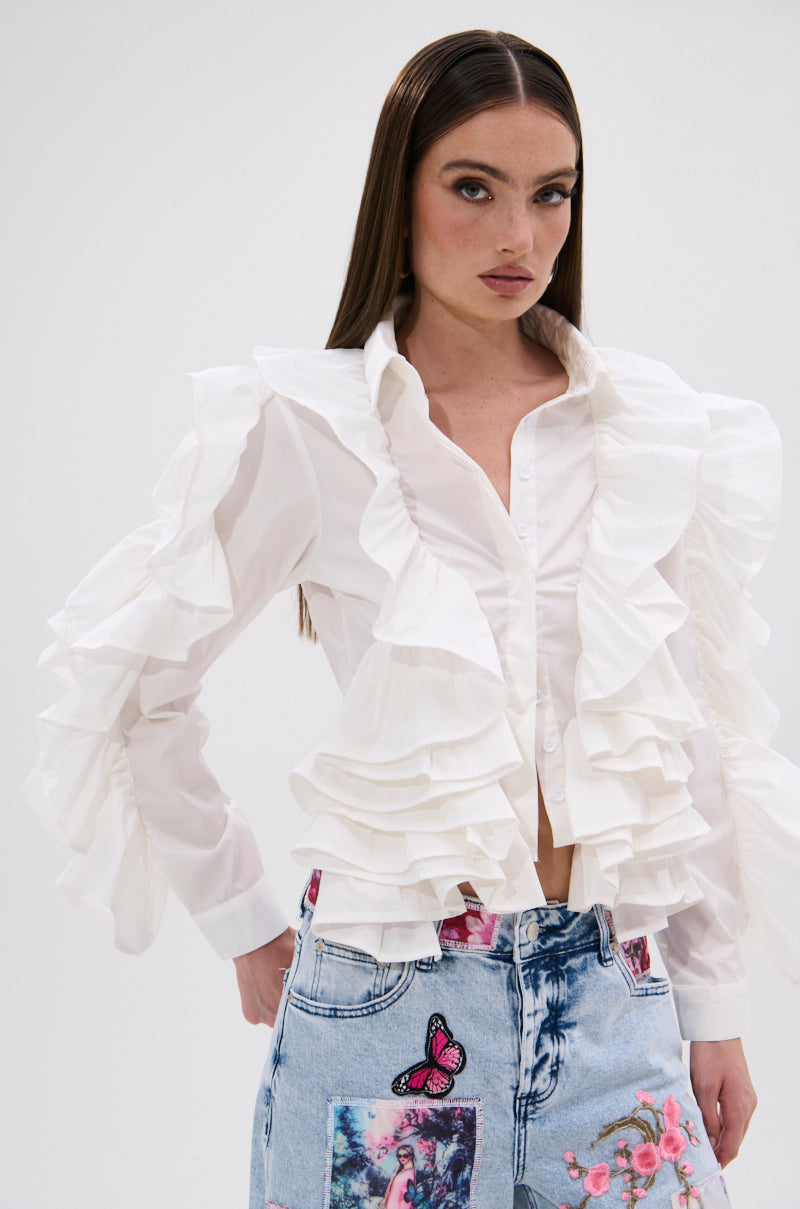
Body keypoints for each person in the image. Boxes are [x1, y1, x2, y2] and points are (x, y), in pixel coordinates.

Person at [26, 28, 800, 1209]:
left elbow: (685, 734)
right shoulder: (311, 427)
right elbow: (134, 685)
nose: (517, 236)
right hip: (386, 1010)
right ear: (402, 189)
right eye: (472, 188)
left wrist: (715, 1009)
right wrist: (243, 919)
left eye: (550, 195)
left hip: (613, 1010)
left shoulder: (643, 430)